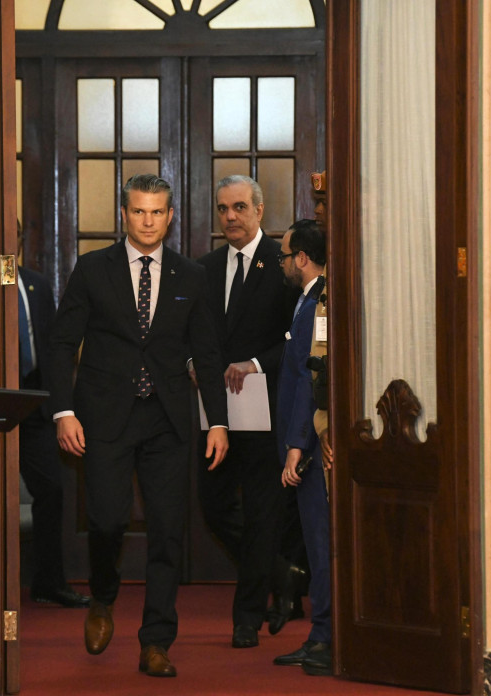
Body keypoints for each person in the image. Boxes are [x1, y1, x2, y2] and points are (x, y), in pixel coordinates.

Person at [48, 174, 229, 677]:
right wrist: (64, 411)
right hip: (103, 419)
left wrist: (218, 422)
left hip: (168, 421)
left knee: (168, 532)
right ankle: (103, 597)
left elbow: (207, 355)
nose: (148, 222)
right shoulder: (91, 270)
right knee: (107, 520)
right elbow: (62, 345)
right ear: (123, 215)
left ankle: (156, 642)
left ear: (170, 217)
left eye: (157, 213)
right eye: (139, 212)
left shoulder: (191, 276)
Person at [193, 174, 303, 648]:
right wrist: (192, 363)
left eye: (239, 207)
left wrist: (255, 363)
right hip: (214, 414)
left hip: (268, 411)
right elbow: (191, 335)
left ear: (260, 210)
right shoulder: (204, 267)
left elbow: (298, 340)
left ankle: (247, 617)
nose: (230, 217)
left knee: (262, 514)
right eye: (223, 209)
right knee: (213, 507)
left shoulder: (283, 266)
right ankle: (284, 574)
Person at [272, 218, 331, 676]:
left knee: (320, 543)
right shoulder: (306, 299)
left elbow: (314, 381)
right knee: (312, 544)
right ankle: (319, 635)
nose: (282, 263)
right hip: (304, 442)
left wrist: (297, 445)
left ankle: (326, 639)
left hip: (311, 448)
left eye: (285, 255)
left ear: (303, 259)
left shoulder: (321, 304)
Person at [17, 261, 89, 608]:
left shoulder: (37, 284)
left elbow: (53, 344)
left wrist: (61, 403)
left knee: (52, 488)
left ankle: (48, 582)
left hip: (36, 402)